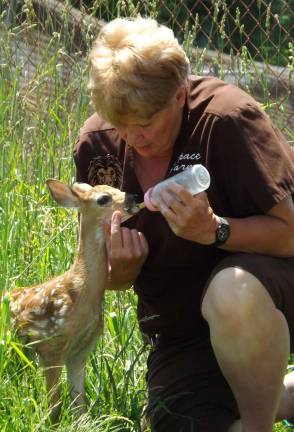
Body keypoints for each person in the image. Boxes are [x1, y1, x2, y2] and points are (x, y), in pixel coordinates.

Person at [73, 16, 294, 432]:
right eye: (120, 124)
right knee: (180, 423)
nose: (132, 137)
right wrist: (120, 270)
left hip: (270, 292)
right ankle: (280, 395)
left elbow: (291, 234)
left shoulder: (228, 120)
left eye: (145, 123)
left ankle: (259, 420)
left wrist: (215, 230)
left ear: (179, 94)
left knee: (231, 293)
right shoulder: (97, 147)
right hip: (184, 329)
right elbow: (104, 273)